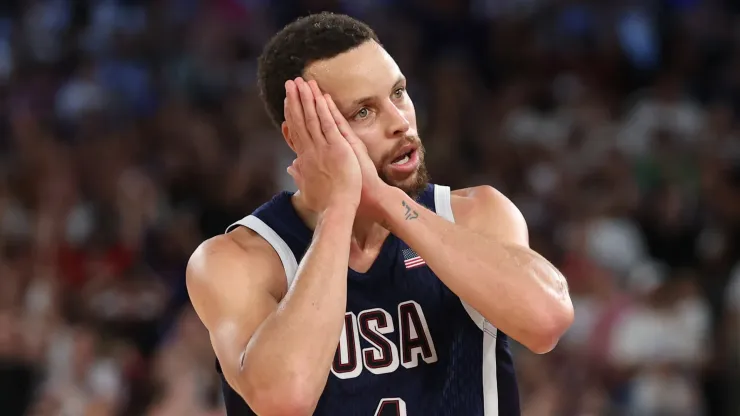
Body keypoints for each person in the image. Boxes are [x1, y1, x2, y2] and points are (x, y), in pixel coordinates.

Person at [186, 12, 574, 416]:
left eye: (399, 93)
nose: (400, 122)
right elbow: (285, 398)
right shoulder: (237, 259)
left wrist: (386, 202)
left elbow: (547, 322)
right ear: (299, 137)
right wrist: (339, 206)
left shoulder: (477, 214)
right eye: (364, 112)